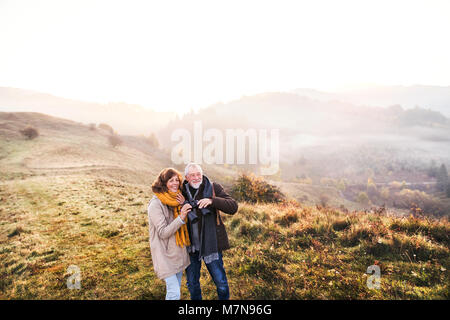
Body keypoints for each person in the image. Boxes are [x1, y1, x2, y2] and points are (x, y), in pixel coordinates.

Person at [182, 163, 238, 300]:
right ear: (186, 177)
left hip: (211, 244)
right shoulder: (181, 191)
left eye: (198, 174)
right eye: (192, 175)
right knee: (192, 284)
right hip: (190, 247)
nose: (196, 178)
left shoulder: (213, 187)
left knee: (221, 283)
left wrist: (212, 201)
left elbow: (233, 207)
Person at [147, 167, 193, 300]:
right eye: (171, 181)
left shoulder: (177, 199)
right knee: (174, 293)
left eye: (177, 180)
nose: (175, 183)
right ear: (163, 183)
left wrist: (183, 204)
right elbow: (162, 232)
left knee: (175, 289)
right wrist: (181, 217)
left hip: (177, 251)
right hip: (164, 253)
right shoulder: (155, 204)